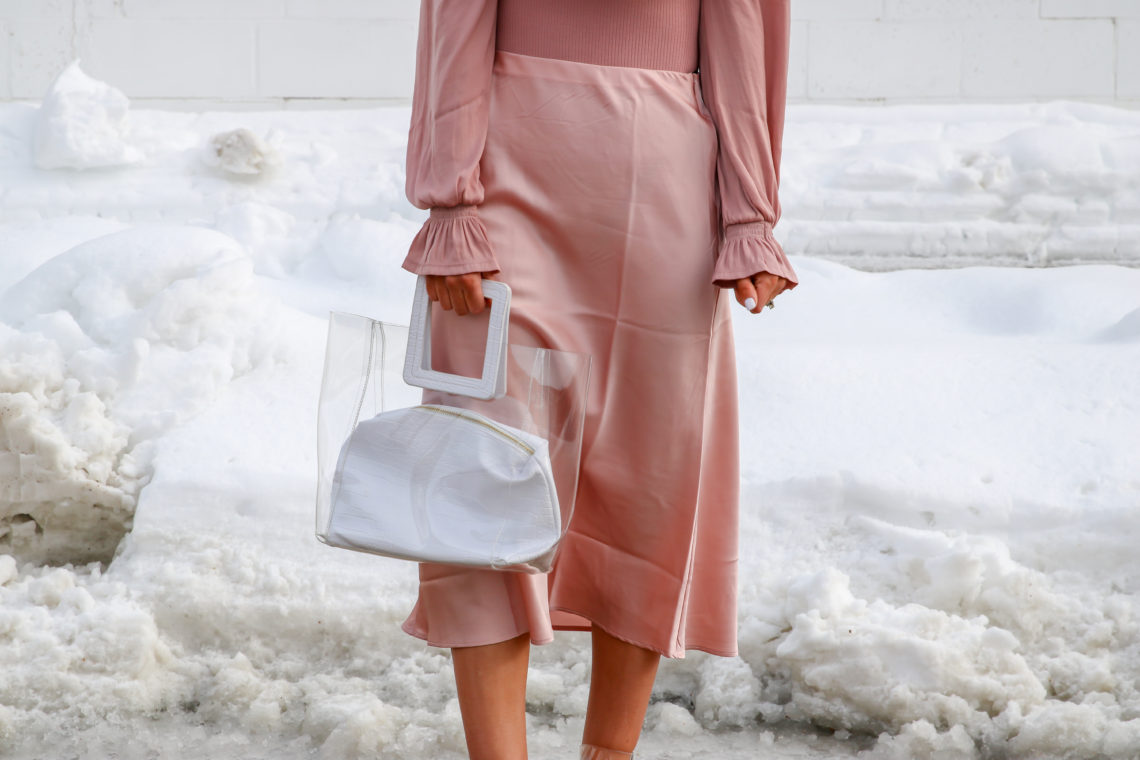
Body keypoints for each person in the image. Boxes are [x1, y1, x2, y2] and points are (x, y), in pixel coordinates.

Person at [398, 1, 798, 758]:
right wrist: (451, 198)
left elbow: (744, 24)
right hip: (503, 173)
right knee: (483, 470)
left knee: (651, 473)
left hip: (666, 183)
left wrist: (751, 215)